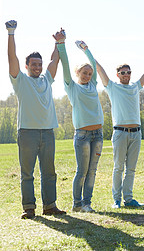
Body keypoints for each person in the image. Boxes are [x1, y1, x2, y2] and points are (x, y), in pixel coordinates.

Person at [6, 20, 66, 219]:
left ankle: (50, 206)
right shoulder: (20, 80)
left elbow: (54, 61)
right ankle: (29, 208)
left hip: (48, 132)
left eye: (39, 64)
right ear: (27, 66)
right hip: (27, 133)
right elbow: (11, 58)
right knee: (27, 174)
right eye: (34, 64)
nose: (38, 67)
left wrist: (58, 43)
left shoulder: (47, 79)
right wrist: (11, 33)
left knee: (49, 172)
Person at [95, 47, 144, 209]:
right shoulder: (112, 87)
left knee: (131, 168)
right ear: (118, 75)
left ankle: (128, 199)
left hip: (136, 133)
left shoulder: (135, 87)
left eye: (128, 72)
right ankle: (116, 200)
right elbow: (99, 69)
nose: (126, 75)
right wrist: (87, 51)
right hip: (120, 133)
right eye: (123, 73)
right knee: (118, 167)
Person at [58, 39, 104, 213]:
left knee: (92, 171)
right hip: (83, 136)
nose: (87, 76)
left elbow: (93, 63)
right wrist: (61, 46)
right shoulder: (72, 87)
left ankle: (87, 203)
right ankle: (77, 204)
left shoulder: (93, 85)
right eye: (84, 73)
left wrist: (86, 49)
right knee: (82, 171)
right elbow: (65, 66)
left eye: (90, 74)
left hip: (98, 135)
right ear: (77, 72)